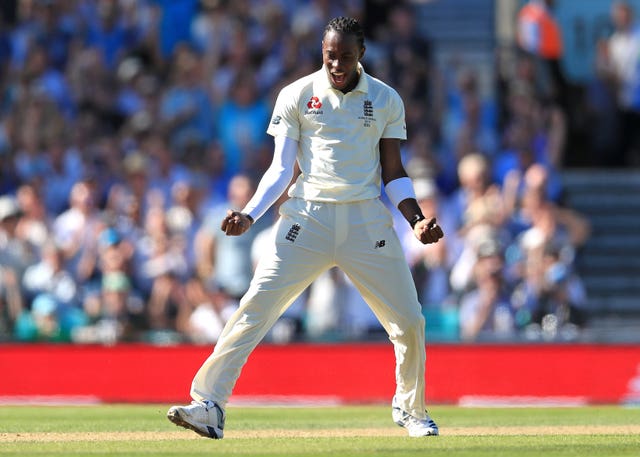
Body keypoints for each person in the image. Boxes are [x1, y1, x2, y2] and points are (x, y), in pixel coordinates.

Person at [167, 17, 444, 439]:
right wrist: (250, 213)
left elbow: (394, 172)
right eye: (330, 55)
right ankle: (208, 404)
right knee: (255, 307)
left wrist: (416, 219)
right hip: (308, 218)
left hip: (365, 219)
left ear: (361, 55)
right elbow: (281, 169)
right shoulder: (296, 95)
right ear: (322, 51)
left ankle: (412, 410)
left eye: (346, 57)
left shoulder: (386, 99)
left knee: (409, 320)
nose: (336, 65)